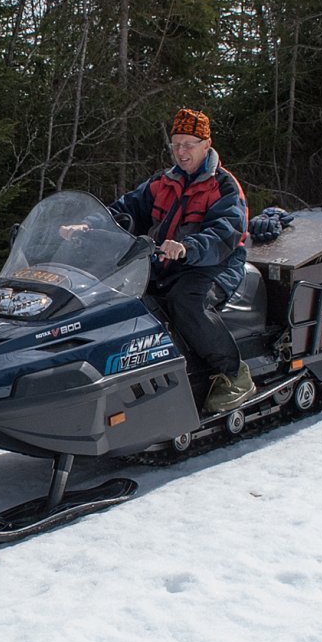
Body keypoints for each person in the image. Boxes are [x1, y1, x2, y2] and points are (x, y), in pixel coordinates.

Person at [107, 108, 256, 414]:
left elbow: (224, 234)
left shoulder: (224, 186)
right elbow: (127, 209)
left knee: (185, 301)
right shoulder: (164, 181)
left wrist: (187, 247)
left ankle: (233, 374)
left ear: (206, 144)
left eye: (189, 144)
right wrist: (93, 224)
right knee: (123, 295)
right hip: (167, 260)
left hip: (216, 264)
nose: (181, 151)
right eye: (176, 144)